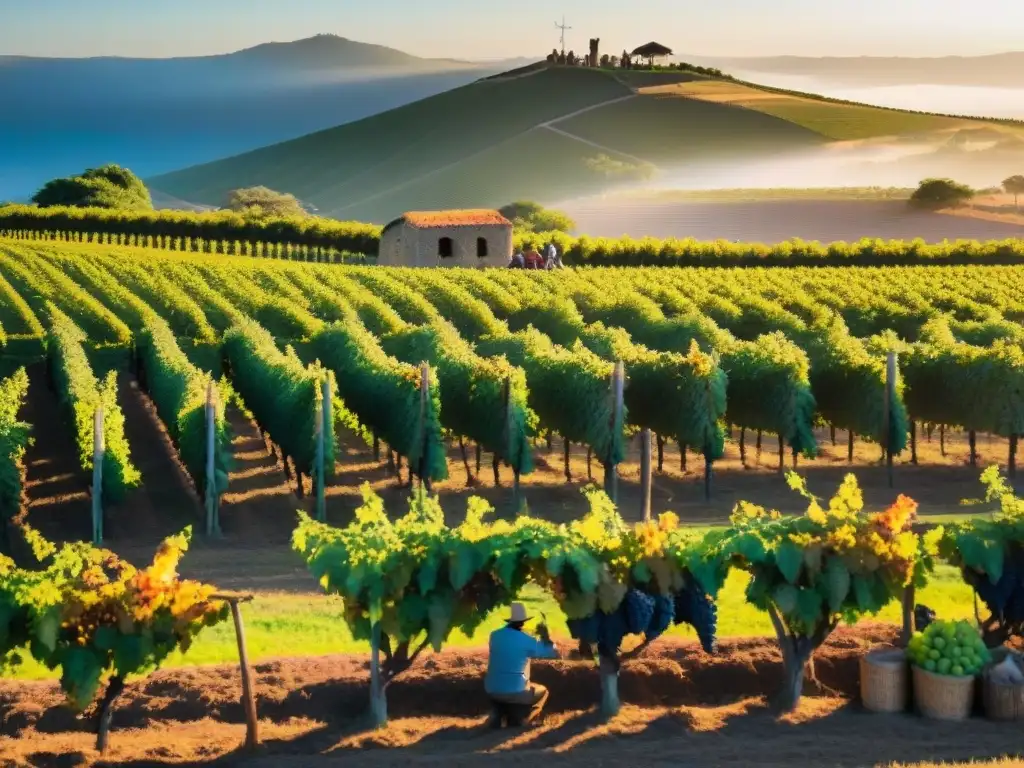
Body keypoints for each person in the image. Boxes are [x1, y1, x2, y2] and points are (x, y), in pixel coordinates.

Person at [484, 603, 558, 728]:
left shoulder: (494, 635)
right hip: (515, 691)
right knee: (543, 691)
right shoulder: (526, 639)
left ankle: (499, 712)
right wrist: (545, 636)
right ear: (523, 622)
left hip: (492, 689)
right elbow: (551, 653)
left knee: (504, 690)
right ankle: (526, 718)